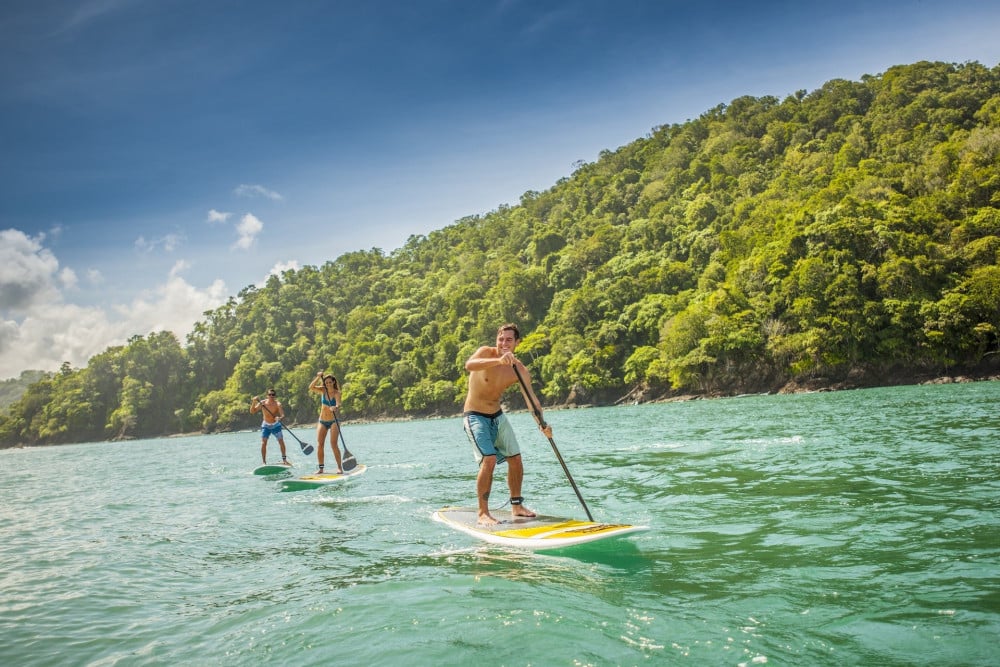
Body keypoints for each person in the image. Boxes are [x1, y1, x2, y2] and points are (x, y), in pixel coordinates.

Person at [463, 323, 553, 525]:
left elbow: (531, 399)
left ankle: (517, 505)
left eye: (509, 340)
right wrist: (497, 360)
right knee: (490, 459)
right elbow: (469, 365)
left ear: (517, 343)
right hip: (474, 416)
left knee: (516, 459)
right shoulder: (486, 353)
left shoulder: (518, 369)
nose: (504, 343)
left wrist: (543, 424)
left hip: (497, 416)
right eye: (501, 339)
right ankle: (483, 513)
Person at [309, 372, 343, 474]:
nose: (328, 384)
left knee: (333, 444)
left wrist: (335, 407)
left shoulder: (337, 393)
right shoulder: (323, 390)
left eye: (330, 382)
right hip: (322, 421)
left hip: (334, 421)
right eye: (326, 382)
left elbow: (338, 403)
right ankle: (321, 468)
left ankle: (339, 467)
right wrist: (318, 377)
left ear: (333, 382)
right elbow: (311, 387)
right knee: (320, 444)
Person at [250, 389, 289, 466]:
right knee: (264, 443)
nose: (271, 396)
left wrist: (279, 418)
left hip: (276, 425)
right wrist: (254, 402)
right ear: (267, 396)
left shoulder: (278, 404)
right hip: (266, 425)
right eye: (270, 395)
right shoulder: (262, 403)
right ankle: (264, 462)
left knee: (281, 441)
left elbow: (282, 415)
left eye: (273, 395)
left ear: (275, 396)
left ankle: (284, 460)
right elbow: (252, 411)